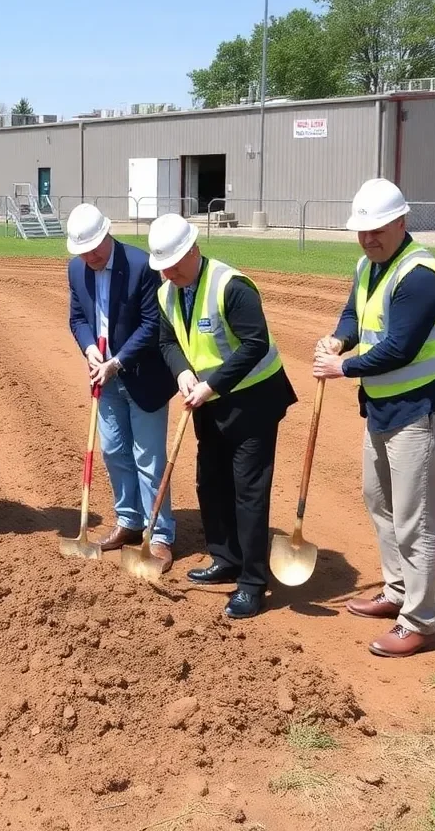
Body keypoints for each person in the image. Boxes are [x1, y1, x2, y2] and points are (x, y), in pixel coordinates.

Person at [314, 178, 435, 658]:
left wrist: (343, 366)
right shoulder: (369, 265)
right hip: (384, 405)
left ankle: (420, 620)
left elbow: (400, 349)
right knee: (377, 498)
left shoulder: (422, 276)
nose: (368, 238)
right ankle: (397, 589)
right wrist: (340, 339)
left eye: (377, 229)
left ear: (402, 222)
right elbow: (352, 314)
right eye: (362, 231)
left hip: (421, 408)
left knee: (414, 519)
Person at [148, 213, 296, 618]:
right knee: (210, 482)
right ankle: (225, 557)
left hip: (253, 399)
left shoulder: (232, 286)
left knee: (248, 489)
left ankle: (252, 581)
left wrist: (210, 385)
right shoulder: (167, 293)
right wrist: (182, 373)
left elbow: (254, 344)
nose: (170, 271)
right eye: (163, 265)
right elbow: (167, 341)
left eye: (176, 262)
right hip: (207, 400)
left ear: (195, 249)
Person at [65, 203, 176, 570]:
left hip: (142, 375)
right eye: (83, 251)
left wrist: (117, 361)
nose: (91, 256)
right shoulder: (76, 268)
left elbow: (151, 325)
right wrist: (89, 351)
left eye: (95, 247)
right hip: (104, 377)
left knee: (149, 457)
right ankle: (129, 521)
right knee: (113, 450)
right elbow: (78, 317)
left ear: (108, 235)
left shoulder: (141, 266)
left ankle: (160, 535)